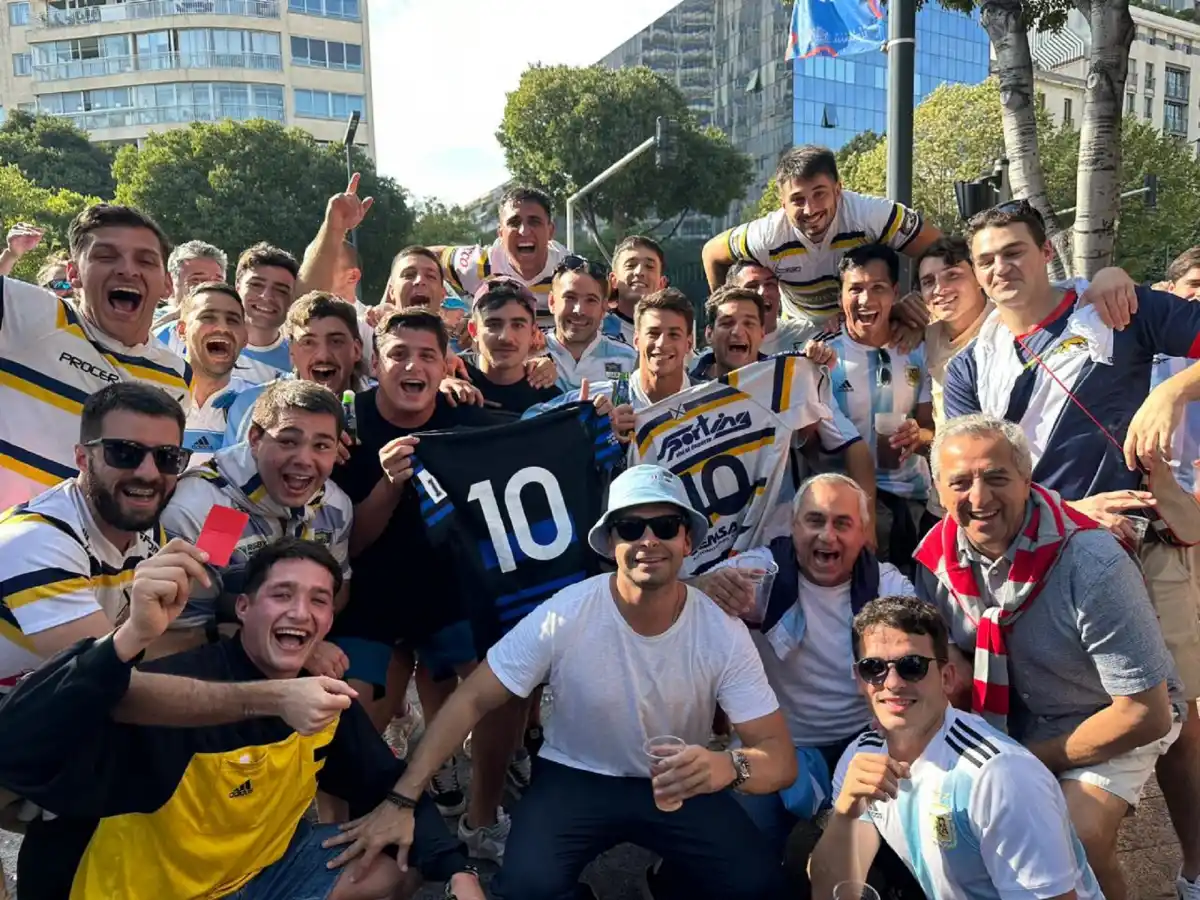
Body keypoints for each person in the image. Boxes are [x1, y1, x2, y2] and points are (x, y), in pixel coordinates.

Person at [324, 464, 796, 900]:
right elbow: (472, 698)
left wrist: (729, 767)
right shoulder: (567, 612)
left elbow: (779, 758)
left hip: (679, 778)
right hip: (577, 774)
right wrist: (402, 796)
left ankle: (672, 880)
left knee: (759, 885)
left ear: (688, 542)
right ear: (611, 543)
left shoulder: (720, 629)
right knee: (526, 888)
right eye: (631, 527)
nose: (648, 540)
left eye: (666, 527)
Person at [945, 203, 1200, 899]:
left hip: (1142, 542)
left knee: (1177, 712)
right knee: (1071, 706)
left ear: (1047, 250)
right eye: (987, 258)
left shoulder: (1114, 307)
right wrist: (1070, 512)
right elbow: (966, 467)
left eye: (1014, 251)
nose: (1001, 268)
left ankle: (1196, 870)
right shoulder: (972, 363)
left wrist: (1174, 390)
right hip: (1041, 561)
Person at [0, 536, 485, 900]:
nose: (301, 611)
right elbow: (17, 751)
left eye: (318, 600)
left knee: (395, 863)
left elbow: (383, 779)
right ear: (244, 608)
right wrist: (124, 640)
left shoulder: (323, 699)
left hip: (258, 873)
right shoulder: (171, 690)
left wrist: (459, 871)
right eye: (282, 594)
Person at [915, 414, 1182, 900]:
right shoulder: (934, 561)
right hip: (1011, 725)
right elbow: (946, 660)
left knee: (1072, 835)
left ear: (1026, 479)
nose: (978, 499)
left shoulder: (1092, 561)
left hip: (1105, 717)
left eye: (996, 477)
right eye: (960, 483)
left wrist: (1026, 759)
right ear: (936, 488)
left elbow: (1148, 713)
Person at [328, 308, 519, 857]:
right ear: (374, 362)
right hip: (371, 598)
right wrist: (388, 483)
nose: (411, 366)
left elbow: (539, 437)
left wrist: (593, 414)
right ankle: (344, 830)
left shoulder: (467, 417)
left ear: (446, 365)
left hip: (450, 594)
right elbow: (353, 544)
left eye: (426, 355)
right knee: (347, 711)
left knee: (505, 689)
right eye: (398, 354)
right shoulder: (348, 427)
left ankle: (482, 818)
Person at [809, 595, 1103, 900]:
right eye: (874, 668)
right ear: (860, 679)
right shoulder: (863, 756)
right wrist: (844, 812)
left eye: (912, 666)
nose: (893, 682)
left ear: (946, 678)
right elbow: (831, 892)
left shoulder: (1001, 777)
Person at [698, 474, 914, 860]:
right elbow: (671, 600)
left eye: (842, 523)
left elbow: (922, 674)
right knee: (735, 854)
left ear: (864, 532)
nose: (827, 536)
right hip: (777, 745)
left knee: (902, 849)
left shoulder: (888, 587)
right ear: (793, 526)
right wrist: (704, 587)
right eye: (814, 521)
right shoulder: (760, 574)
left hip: (866, 740)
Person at [0, 203, 192, 510]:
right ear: (74, 273)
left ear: (167, 284)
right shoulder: (29, 313)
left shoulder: (176, 374)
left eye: (145, 260)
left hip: (96, 554)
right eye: (105, 256)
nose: (128, 269)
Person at [0, 382, 190, 687]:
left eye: (167, 457)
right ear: (82, 459)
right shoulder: (37, 541)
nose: (149, 473)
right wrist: (273, 698)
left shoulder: (150, 533)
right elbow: (109, 690)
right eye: (125, 453)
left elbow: (130, 651)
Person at [161, 379, 354, 654]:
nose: (304, 458)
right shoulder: (218, 512)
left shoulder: (334, 505)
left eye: (321, 446)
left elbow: (338, 594)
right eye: (288, 441)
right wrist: (297, 651)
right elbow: (183, 632)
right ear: (254, 439)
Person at [703, 145, 940, 329]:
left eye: (820, 194)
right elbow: (712, 253)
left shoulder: (871, 215)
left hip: (864, 323)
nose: (810, 209)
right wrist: (724, 314)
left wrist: (918, 301)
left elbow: (940, 247)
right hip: (798, 329)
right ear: (782, 203)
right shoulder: (768, 235)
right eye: (798, 199)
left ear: (838, 190)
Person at [822, 244, 935, 565]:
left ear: (895, 293)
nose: (865, 300)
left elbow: (931, 431)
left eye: (878, 288)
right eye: (855, 289)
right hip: (848, 509)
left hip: (914, 504)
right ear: (841, 296)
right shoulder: (823, 357)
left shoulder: (916, 349)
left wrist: (919, 436)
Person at [224, 292, 367, 445]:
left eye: (336, 341)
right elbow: (224, 467)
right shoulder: (251, 405)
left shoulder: (383, 404)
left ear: (357, 350)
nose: (323, 355)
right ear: (292, 351)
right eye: (308, 342)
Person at [434, 186, 569, 324]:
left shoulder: (570, 273)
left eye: (534, 222)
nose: (524, 231)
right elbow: (425, 258)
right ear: (500, 233)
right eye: (514, 223)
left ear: (550, 231)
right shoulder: (480, 264)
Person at [916, 237, 993, 430]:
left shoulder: (1004, 327)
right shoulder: (928, 336)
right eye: (928, 282)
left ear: (978, 278)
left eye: (952, 275)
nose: (939, 289)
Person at [462, 277, 562, 414]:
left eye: (518, 325)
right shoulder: (448, 374)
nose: (506, 337)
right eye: (493, 325)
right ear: (473, 330)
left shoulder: (550, 402)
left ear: (533, 333)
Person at [176, 281, 251, 463]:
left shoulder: (258, 404)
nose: (223, 328)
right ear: (182, 330)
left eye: (233, 320)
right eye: (208, 317)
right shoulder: (154, 393)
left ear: (245, 337)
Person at [545, 254, 637, 391]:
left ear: (604, 307)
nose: (579, 310)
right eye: (570, 297)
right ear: (552, 302)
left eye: (591, 300)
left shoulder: (628, 360)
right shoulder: (527, 352)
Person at [233, 242, 300, 383]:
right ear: (237, 287)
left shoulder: (300, 359)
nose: (267, 296)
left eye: (281, 290)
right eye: (256, 285)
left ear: (293, 298)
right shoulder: (209, 347)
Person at [725, 260, 813, 356]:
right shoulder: (722, 345)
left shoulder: (806, 333)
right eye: (752, 287)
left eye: (770, 284)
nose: (763, 292)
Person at [603, 235, 669, 346]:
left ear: (661, 284)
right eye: (631, 265)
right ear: (613, 280)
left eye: (649, 266)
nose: (639, 272)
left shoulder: (673, 333)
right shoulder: (595, 329)